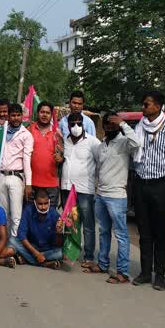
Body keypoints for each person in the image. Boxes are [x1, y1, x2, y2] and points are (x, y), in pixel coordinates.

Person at [131, 90, 165, 291]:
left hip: (161, 185)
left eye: (147, 104)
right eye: (143, 104)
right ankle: (146, 272)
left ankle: (160, 276)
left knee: (160, 232)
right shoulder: (139, 127)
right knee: (144, 231)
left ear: (158, 106)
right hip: (141, 183)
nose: (143, 107)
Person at [87, 111, 141, 284]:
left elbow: (137, 143)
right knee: (103, 231)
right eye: (108, 124)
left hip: (117, 196)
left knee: (121, 235)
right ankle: (102, 264)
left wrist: (123, 124)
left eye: (113, 123)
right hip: (101, 194)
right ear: (103, 126)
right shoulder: (100, 146)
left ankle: (123, 272)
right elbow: (97, 169)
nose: (111, 126)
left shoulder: (124, 143)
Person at [60, 112, 101, 267]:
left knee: (88, 224)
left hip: (85, 189)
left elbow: (100, 163)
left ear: (83, 124)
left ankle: (89, 256)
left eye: (79, 123)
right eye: (72, 124)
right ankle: (70, 251)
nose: (76, 127)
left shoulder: (93, 142)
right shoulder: (65, 141)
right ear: (68, 125)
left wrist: (95, 182)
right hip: (67, 188)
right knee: (69, 221)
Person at [0, 103, 33, 237]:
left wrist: (28, 184)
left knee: (16, 215)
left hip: (16, 176)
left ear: (22, 117)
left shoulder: (26, 135)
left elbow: (27, 159)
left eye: (18, 115)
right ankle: (4, 244)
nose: (16, 118)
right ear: (8, 116)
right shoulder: (2, 130)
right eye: (13, 115)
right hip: (1, 176)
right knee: (2, 213)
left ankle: (15, 247)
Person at [9, 191, 65, 269]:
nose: (43, 207)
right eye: (40, 204)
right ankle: (44, 263)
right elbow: (21, 235)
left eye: (46, 203)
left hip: (47, 249)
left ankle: (28, 259)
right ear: (35, 203)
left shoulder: (55, 214)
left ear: (49, 202)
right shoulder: (28, 210)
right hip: (31, 247)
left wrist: (59, 232)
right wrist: (36, 254)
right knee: (12, 240)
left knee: (60, 253)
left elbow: (59, 244)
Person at [29, 101, 63, 207]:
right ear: (37, 113)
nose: (44, 115)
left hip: (51, 184)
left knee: (51, 218)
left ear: (51, 115)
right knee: (30, 217)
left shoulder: (57, 133)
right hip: (31, 183)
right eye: (42, 112)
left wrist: (60, 158)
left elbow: (62, 156)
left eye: (47, 113)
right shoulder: (29, 130)